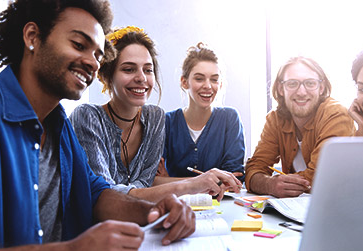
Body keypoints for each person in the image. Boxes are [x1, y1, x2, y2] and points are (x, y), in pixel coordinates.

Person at [0, 1, 194, 251]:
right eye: (78, 45)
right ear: (32, 37)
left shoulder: (58, 125)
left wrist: (154, 211)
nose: (91, 63)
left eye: (97, 54)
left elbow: (96, 194)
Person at [70, 29, 241, 202]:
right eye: (129, 69)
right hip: (96, 225)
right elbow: (104, 195)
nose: (141, 78)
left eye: (148, 70)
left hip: (143, 217)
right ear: (107, 76)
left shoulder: (154, 118)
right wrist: (191, 184)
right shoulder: (87, 116)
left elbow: (146, 183)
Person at [245, 56, 355, 198]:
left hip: (335, 206)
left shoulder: (336, 114)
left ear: (321, 88)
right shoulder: (275, 119)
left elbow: (320, 177)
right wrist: (269, 184)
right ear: (281, 88)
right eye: (292, 84)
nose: (301, 92)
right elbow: (254, 168)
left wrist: (272, 183)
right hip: (294, 211)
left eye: (310, 83)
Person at [163, 42, 246, 184]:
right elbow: (154, 180)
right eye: (199, 78)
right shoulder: (167, 122)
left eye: (214, 79)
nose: (208, 86)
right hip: (177, 204)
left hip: (222, 204)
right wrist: (207, 181)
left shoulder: (230, 119)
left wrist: (172, 181)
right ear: (184, 82)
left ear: (220, 84)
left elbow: (234, 178)